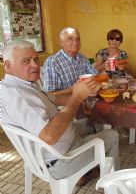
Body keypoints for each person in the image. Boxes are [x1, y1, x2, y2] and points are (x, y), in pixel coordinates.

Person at [0, 40, 119, 185]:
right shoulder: (17, 96)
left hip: (56, 146)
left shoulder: (23, 84)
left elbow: (55, 98)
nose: (35, 65)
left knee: (91, 122)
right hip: (59, 161)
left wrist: (83, 94)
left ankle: (85, 172)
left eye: (36, 59)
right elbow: (49, 136)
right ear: (8, 65)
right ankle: (113, 184)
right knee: (112, 135)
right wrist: (76, 97)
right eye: (26, 61)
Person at [43, 27, 99, 96]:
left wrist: (106, 68)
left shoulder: (82, 57)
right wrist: (74, 88)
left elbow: (95, 76)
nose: (75, 43)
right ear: (62, 42)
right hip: (65, 103)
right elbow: (49, 95)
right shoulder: (53, 62)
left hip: (86, 97)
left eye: (78, 39)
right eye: (70, 39)